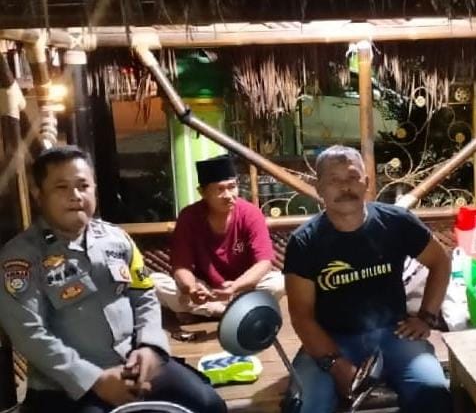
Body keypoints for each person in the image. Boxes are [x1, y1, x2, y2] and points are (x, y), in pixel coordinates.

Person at [0, 146, 225, 413]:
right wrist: (94, 379)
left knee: (210, 404)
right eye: (61, 187)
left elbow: (144, 295)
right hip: (65, 386)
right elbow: (29, 333)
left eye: (83, 185)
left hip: (135, 365)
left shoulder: (117, 239)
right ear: (39, 195)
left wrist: (149, 347)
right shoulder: (21, 257)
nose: (75, 196)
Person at [283, 145, 452, 413]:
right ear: (319, 188)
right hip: (331, 340)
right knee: (307, 405)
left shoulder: (396, 222)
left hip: (394, 334)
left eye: (353, 177)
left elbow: (440, 261)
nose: (345, 187)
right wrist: (336, 364)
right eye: (334, 180)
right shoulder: (304, 242)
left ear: (367, 182)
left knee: (433, 392)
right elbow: (301, 316)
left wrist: (426, 317)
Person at [152, 155, 284, 319]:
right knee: (155, 283)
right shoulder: (189, 217)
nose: (228, 195)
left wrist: (235, 287)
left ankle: (215, 311)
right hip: (207, 291)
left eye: (232, 187)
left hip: (242, 289)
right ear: (203, 193)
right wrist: (192, 288)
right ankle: (235, 312)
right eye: (220, 189)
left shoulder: (250, 213)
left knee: (278, 282)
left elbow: (264, 262)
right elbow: (181, 267)